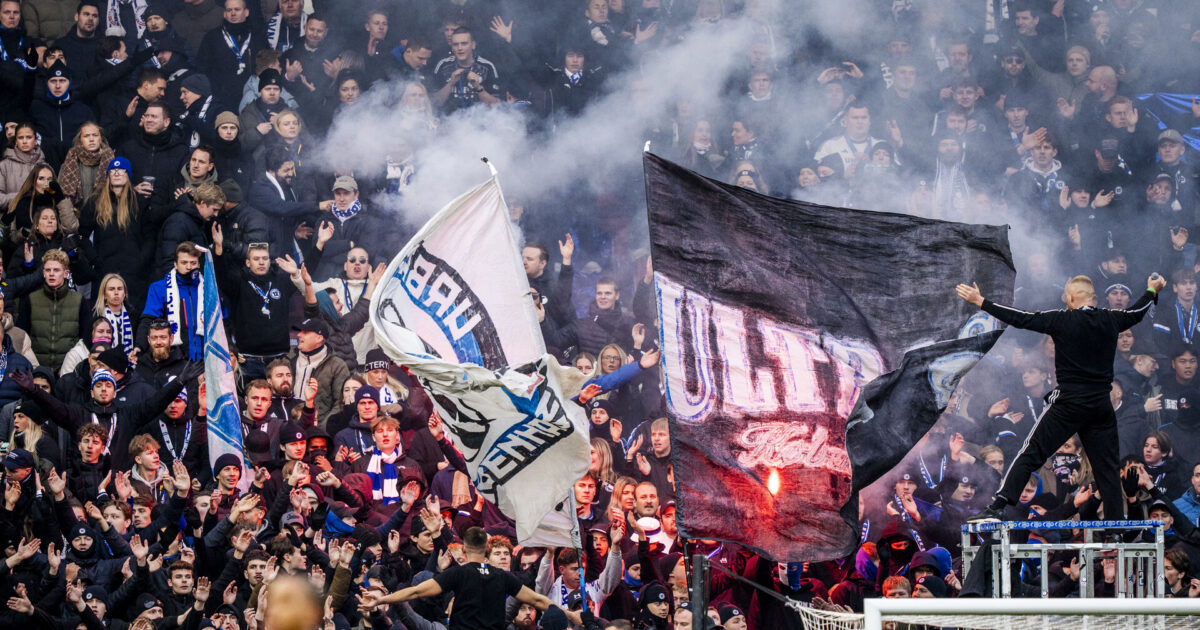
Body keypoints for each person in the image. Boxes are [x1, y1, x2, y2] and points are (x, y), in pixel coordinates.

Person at [957, 273, 1164, 522]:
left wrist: (982, 301)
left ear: (1071, 297)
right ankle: (1115, 527)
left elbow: (1021, 318)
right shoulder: (1111, 319)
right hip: (1101, 405)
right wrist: (1152, 289)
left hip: (1070, 403)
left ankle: (999, 505)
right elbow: (1138, 310)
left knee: (1031, 452)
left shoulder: (1061, 319)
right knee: (1107, 467)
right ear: (1095, 298)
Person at [361, 526, 576, 629]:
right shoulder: (503, 577)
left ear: (465, 550)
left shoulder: (458, 573)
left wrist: (381, 599)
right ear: (485, 549)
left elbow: (416, 591)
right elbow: (538, 600)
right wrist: (571, 615)